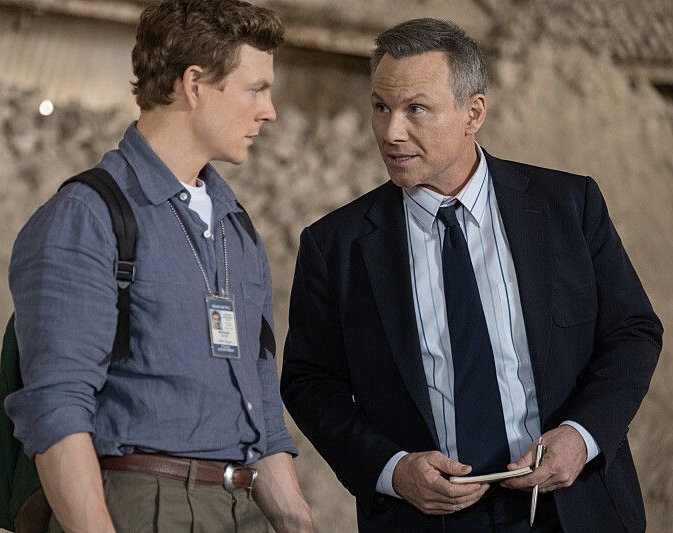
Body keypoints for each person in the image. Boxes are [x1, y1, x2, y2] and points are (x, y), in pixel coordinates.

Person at [281, 17, 662, 532]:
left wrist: (581, 435)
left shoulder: (568, 207)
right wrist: (392, 470)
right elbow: (309, 383)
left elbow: (632, 332)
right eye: (380, 107)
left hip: (572, 508)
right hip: (424, 517)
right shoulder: (335, 246)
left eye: (416, 109)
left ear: (473, 112)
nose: (392, 131)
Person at [5, 1, 314, 531]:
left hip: (242, 506)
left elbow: (262, 410)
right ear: (194, 84)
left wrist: (297, 523)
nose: (271, 111)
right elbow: (57, 412)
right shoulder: (87, 216)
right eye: (256, 89)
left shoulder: (237, 230)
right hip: (144, 507)